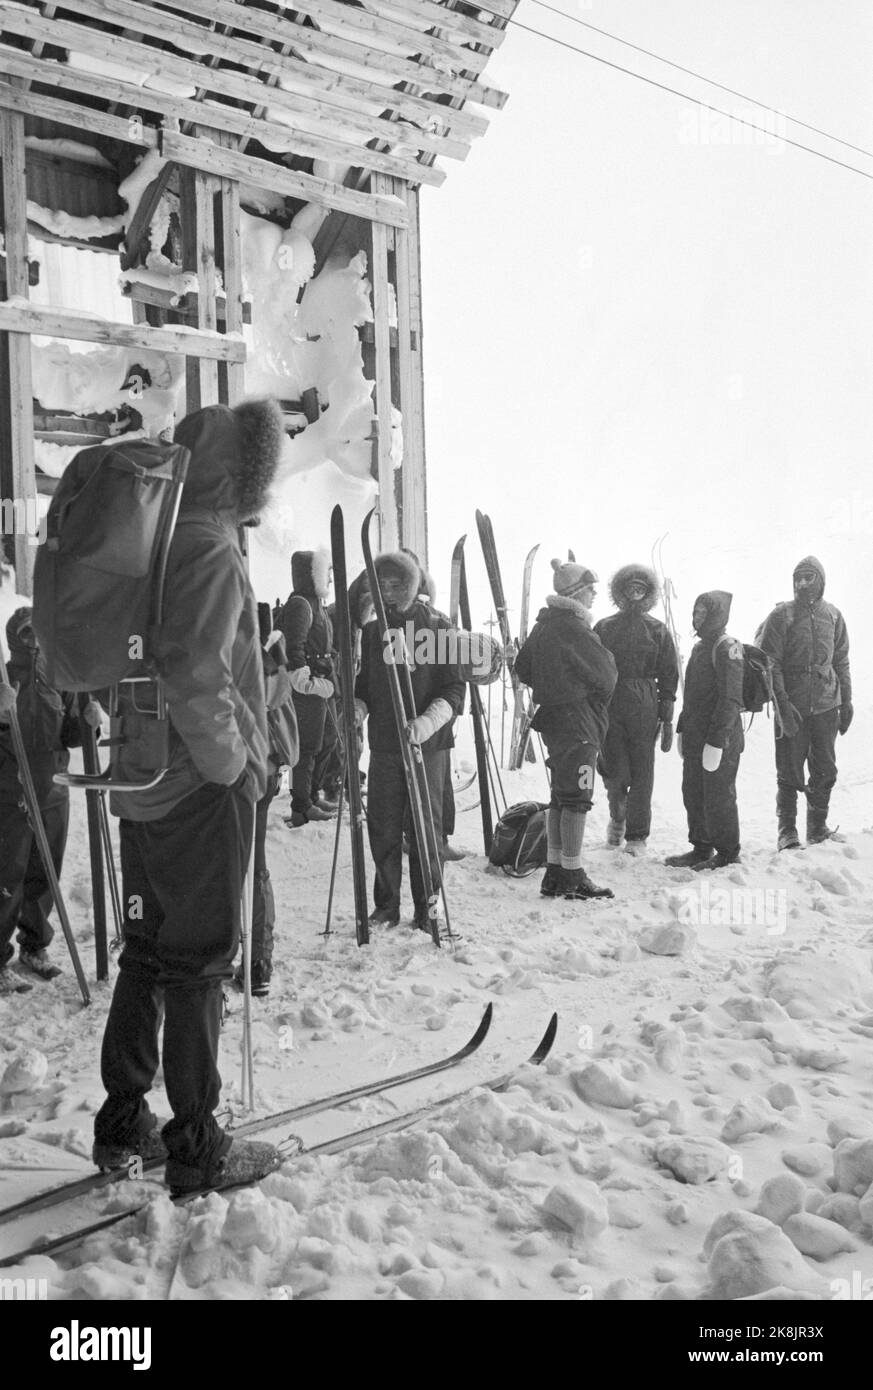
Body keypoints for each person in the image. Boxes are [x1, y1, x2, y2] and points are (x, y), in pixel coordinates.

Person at [92, 397, 285, 1196]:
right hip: (193, 787)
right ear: (243, 475)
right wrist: (233, 763)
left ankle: (123, 1122)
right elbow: (196, 669)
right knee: (200, 964)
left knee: (147, 953)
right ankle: (199, 1146)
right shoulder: (207, 546)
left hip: (140, 779)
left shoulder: (154, 542)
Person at [355, 550, 466, 931]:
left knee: (425, 830)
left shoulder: (438, 627)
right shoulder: (372, 632)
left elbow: (454, 689)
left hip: (426, 747)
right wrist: (356, 707)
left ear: (411, 584)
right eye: (380, 584)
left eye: (396, 583)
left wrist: (427, 722)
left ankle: (427, 907)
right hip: (385, 745)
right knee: (382, 827)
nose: (387, 591)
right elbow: (364, 686)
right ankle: (386, 905)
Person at [515, 559, 617, 900]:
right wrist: (582, 691)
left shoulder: (544, 625)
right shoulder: (574, 627)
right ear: (577, 592)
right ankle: (572, 874)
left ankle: (555, 871)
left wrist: (554, 684)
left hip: (555, 721)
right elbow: (606, 675)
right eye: (591, 590)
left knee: (561, 793)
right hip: (579, 721)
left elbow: (523, 667)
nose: (594, 596)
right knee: (577, 797)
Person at [0, 608, 85, 991]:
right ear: (14, 638)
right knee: (7, 877)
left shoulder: (58, 679)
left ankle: (35, 947)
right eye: (26, 633)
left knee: (44, 874)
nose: (34, 640)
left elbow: (71, 734)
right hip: (11, 792)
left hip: (52, 790)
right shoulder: (3, 679)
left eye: (39, 631)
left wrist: (88, 719)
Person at [756, 556, 852, 848]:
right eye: (799, 577)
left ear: (821, 580)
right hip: (792, 705)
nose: (803, 583)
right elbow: (771, 664)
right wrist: (783, 705)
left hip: (826, 704)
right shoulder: (781, 616)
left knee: (825, 768)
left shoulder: (833, 615)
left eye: (810, 577)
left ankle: (817, 827)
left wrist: (846, 701)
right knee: (788, 770)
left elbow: (841, 660)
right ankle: (787, 832)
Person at [232, 603, 298, 998]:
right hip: (265, 771)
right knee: (254, 864)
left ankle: (244, 960)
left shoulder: (243, 658)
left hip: (240, 773)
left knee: (235, 866)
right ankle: (259, 962)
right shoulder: (273, 656)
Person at [594, 565, 679, 855]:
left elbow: (669, 673)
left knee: (643, 772)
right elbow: (592, 667)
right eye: (630, 587)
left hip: (645, 703)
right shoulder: (605, 627)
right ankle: (617, 819)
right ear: (620, 590)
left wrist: (666, 717)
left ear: (648, 593)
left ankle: (637, 835)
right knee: (614, 768)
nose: (635, 592)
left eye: (641, 588)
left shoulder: (658, 629)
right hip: (611, 701)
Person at [665, 591, 744, 870]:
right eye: (695, 611)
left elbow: (731, 699)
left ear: (717, 615)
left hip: (720, 738)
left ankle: (727, 852)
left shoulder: (727, 647)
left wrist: (718, 740)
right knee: (694, 791)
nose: (697, 617)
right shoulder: (700, 648)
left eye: (703, 612)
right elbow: (693, 696)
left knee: (719, 795)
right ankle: (701, 847)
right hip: (698, 736)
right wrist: (683, 730)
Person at [278, 549, 338, 826]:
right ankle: (300, 806)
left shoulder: (317, 604)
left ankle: (311, 796)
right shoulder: (301, 605)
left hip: (321, 684)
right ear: (313, 574)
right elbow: (295, 647)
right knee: (306, 748)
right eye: (325, 572)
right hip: (307, 689)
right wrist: (305, 682)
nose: (329, 578)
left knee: (327, 740)